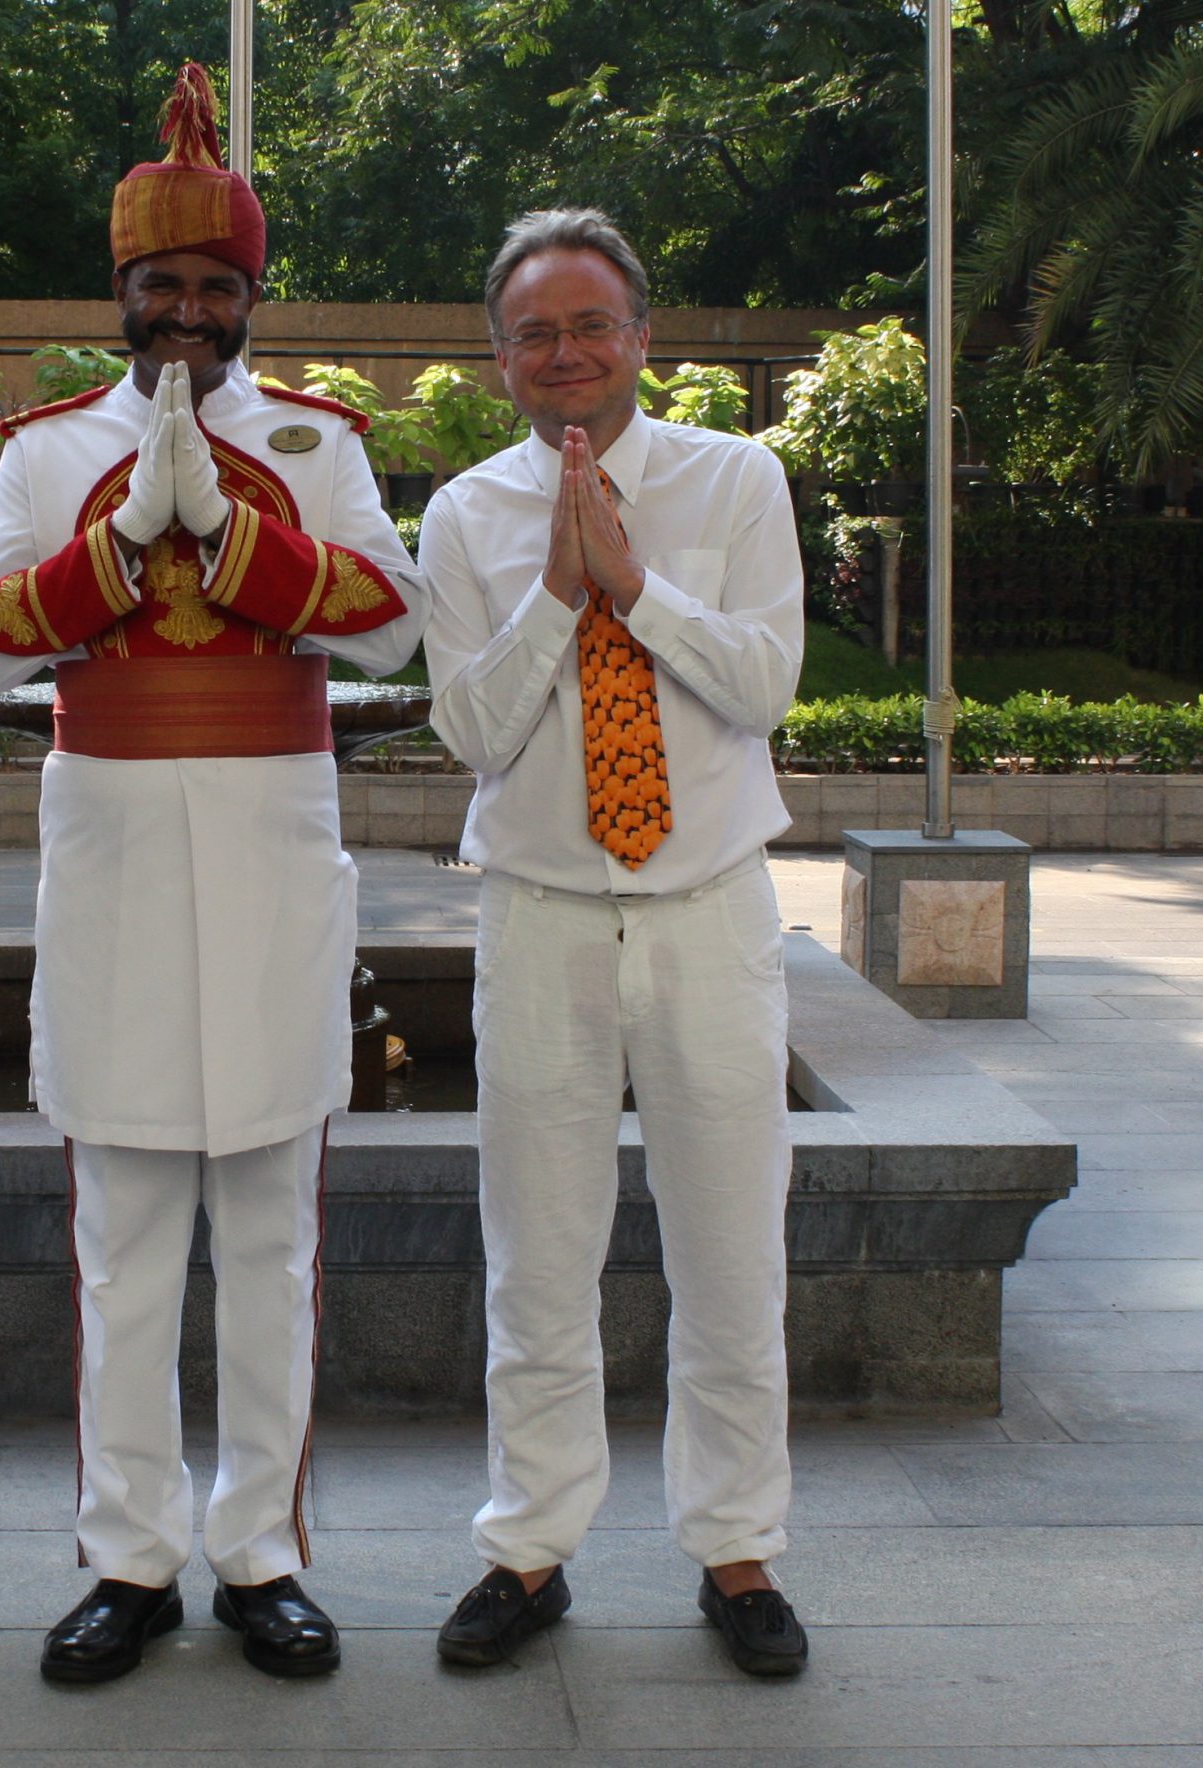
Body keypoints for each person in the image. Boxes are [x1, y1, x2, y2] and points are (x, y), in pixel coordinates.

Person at [0, 63, 425, 1684]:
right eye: (163, 283)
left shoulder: (317, 437)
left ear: (251, 296)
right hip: (118, 874)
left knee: (275, 1245)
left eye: (218, 286)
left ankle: (264, 1554)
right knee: (125, 1245)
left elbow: (393, 616)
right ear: (122, 290)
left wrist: (233, 535)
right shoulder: (44, 449)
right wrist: (112, 543)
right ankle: (129, 1562)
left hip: (277, 868)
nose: (189, 312)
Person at [418, 208, 810, 1676]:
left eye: (592, 326)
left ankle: (738, 1550)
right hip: (542, 918)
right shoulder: (464, 518)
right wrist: (558, 592)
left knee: (729, 1251)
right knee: (537, 1257)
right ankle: (529, 1548)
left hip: (710, 912)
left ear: (643, 336)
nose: (566, 354)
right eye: (536, 333)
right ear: (500, 358)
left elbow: (767, 680)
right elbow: (470, 727)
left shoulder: (736, 479)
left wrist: (636, 586)